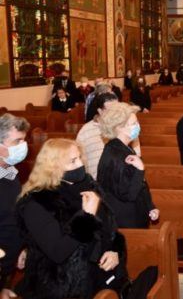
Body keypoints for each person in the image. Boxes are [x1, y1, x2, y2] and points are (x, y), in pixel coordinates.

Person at [15, 139, 129, 299]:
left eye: (80, 157)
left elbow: (111, 230)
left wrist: (115, 251)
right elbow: (58, 251)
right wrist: (87, 217)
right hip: (63, 288)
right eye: (72, 161)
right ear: (53, 167)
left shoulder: (89, 185)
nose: (80, 164)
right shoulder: (37, 202)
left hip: (100, 278)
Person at [97, 103, 158, 228]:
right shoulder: (115, 155)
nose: (138, 126)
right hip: (126, 221)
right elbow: (128, 194)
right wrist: (140, 169)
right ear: (120, 127)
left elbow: (140, 184)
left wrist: (150, 206)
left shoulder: (124, 148)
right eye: (134, 123)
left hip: (134, 213)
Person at [0, 114, 29, 299]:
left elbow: (15, 216)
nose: (23, 146)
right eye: (17, 141)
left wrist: (22, 247)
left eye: (24, 140)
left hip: (8, 266)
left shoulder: (10, 173)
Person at [77, 93, 132, 180]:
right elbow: (80, 158)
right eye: (111, 110)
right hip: (95, 181)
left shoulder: (124, 126)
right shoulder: (86, 130)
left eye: (117, 109)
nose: (115, 113)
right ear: (100, 111)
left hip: (120, 180)